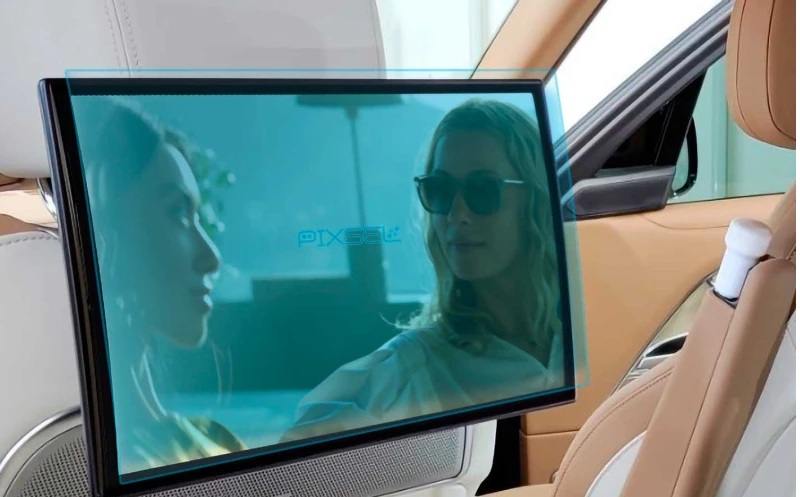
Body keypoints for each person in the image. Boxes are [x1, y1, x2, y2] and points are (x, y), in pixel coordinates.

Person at [282, 99, 566, 442]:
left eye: (482, 189)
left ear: (535, 199)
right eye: (440, 189)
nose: (456, 214)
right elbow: (298, 449)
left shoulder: (582, 330)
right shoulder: (412, 369)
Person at [78, 99, 245, 474]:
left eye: (195, 215)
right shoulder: (131, 457)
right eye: (176, 212)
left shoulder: (214, 440)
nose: (211, 257)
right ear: (103, 230)